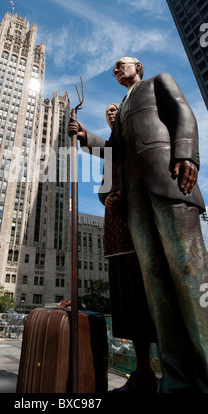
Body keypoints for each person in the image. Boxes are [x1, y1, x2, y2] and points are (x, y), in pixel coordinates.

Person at [68, 57, 208, 393]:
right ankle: (176, 380)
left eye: (121, 65)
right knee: (156, 287)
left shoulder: (158, 82)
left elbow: (181, 112)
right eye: (113, 68)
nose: (116, 70)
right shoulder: (120, 117)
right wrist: (86, 135)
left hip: (169, 181)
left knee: (190, 275)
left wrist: (187, 153)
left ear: (138, 66)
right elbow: (114, 152)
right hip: (134, 200)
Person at [102, 103, 158, 393]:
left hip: (143, 216)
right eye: (108, 113)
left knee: (150, 291)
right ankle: (143, 372)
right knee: (129, 295)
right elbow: (104, 186)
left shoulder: (138, 133)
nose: (111, 113)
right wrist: (107, 199)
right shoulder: (110, 147)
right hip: (117, 225)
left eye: (115, 109)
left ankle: (170, 370)